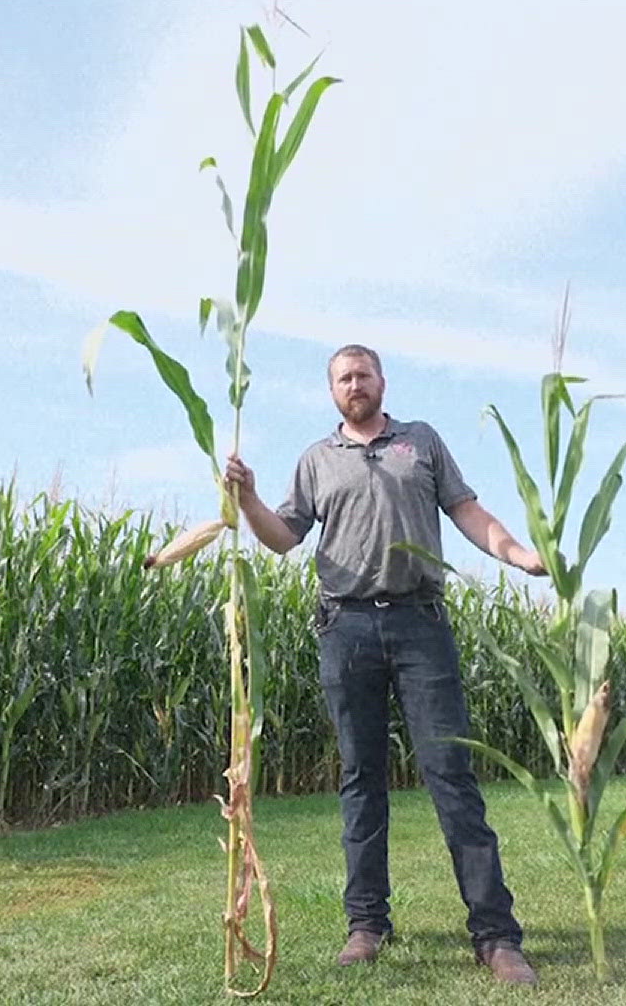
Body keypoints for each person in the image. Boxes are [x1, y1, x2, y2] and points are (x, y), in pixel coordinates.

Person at [223, 344, 544, 986]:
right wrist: (249, 498)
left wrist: (517, 553)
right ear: (332, 390)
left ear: (381, 381)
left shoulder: (419, 442)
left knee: (451, 776)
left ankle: (496, 935)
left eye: (363, 374)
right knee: (360, 779)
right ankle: (366, 925)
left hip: (420, 624)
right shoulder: (317, 459)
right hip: (346, 628)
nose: (354, 384)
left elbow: (467, 512)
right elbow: (284, 537)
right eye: (343, 378)